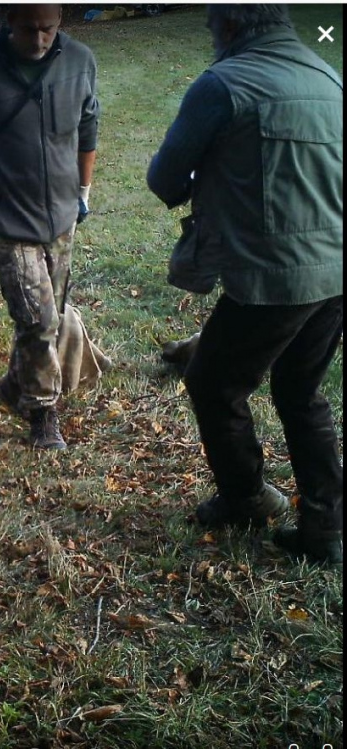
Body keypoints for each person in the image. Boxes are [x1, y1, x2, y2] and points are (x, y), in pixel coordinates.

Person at [147, 5, 343, 564]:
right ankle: (325, 529)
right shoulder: (329, 75)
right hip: (337, 268)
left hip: (278, 271)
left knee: (213, 382)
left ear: (227, 27)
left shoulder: (222, 84)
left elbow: (165, 180)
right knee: (301, 393)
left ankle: (247, 498)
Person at [0, 3, 99, 450]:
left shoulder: (81, 61)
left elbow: (88, 130)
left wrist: (84, 192)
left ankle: (13, 383)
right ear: (9, 23)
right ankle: (42, 413)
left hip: (62, 211)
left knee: (50, 312)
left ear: (60, 22)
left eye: (48, 28)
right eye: (29, 29)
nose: (40, 39)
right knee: (38, 316)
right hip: (7, 214)